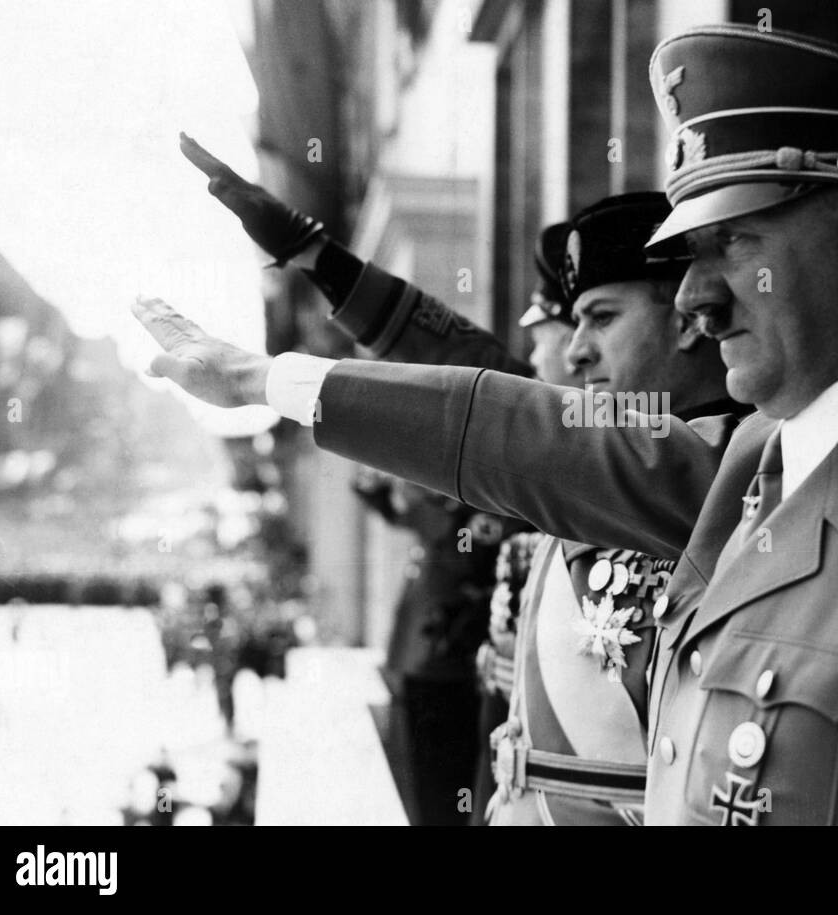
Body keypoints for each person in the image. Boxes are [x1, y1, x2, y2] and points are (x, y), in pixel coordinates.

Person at [137, 25, 838, 824]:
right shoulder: (756, 457)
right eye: (684, 257)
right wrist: (269, 377)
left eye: (732, 243)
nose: (695, 298)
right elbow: (518, 430)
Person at [180, 136, 573, 824]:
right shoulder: (583, 423)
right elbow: (464, 368)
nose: (558, 349)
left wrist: (264, 376)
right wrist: (315, 258)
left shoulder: (634, 431)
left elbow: (476, 385)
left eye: (596, 319)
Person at [486, 192, 745, 825]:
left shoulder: (739, 470)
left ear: (687, 320)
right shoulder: (593, 457)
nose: (574, 352)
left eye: (601, 318)